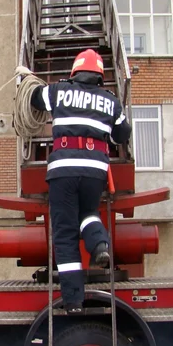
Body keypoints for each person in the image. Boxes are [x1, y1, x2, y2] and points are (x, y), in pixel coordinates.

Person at [29, 49, 132, 314]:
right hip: (95, 171)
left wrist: (26, 80)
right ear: (100, 75)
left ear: (74, 71)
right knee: (88, 213)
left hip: (63, 169)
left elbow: (34, 98)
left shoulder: (58, 91)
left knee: (65, 234)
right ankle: (100, 245)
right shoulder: (111, 101)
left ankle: (73, 301)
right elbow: (122, 134)